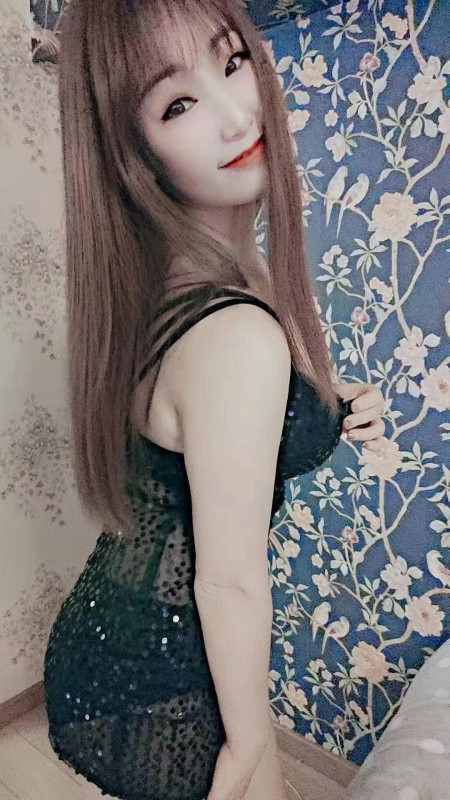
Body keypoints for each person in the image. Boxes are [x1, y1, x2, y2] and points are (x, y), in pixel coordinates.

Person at [43, 1, 381, 799]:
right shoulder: (234, 335)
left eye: (232, 61)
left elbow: (202, 412)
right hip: (162, 671)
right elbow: (227, 582)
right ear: (134, 154)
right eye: (178, 104)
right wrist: (253, 743)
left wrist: (327, 400)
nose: (235, 114)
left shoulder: (193, 282)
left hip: (126, 629)